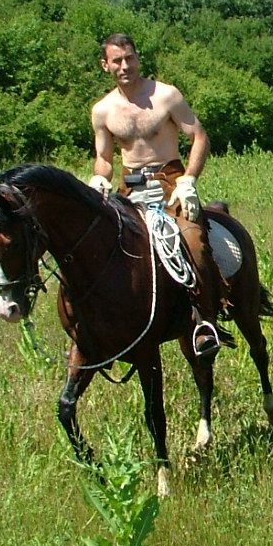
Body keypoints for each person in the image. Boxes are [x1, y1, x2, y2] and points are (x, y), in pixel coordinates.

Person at [88, 33, 226, 357]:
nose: (125, 66)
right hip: (128, 189)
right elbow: (105, 158)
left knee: (192, 240)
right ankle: (115, 321)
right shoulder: (103, 110)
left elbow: (199, 137)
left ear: (138, 58)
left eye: (129, 58)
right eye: (117, 61)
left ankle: (203, 321)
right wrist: (98, 177)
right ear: (105, 65)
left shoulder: (166, 96)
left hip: (171, 181)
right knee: (102, 245)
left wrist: (189, 180)